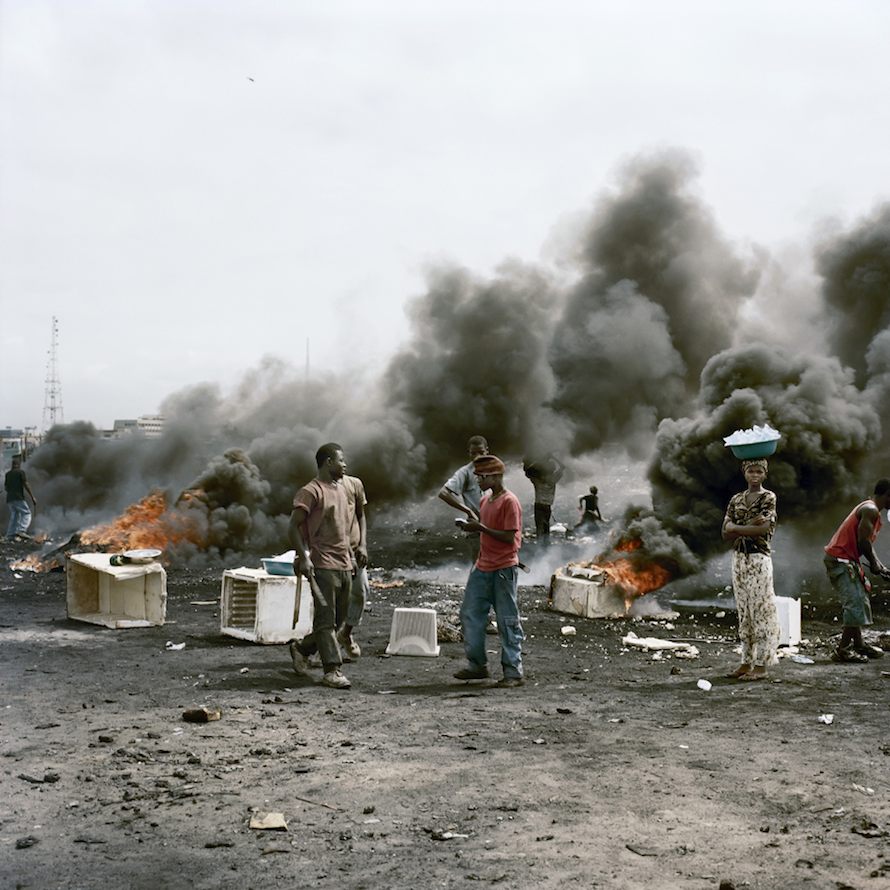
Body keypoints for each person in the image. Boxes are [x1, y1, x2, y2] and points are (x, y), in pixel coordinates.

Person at [453, 454, 525, 688]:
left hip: (504, 568)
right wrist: (472, 527)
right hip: (483, 566)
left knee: (507, 620)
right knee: (470, 614)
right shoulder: (485, 501)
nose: (478, 482)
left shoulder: (509, 501)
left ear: (495, 476)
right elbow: (488, 531)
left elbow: (508, 536)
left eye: (482, 477)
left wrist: (480, 527)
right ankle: (477, 666)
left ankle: (513, 672)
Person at [287, 443, 354, 690]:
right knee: (325, 621)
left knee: (338, 620)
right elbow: (292, 526)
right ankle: (332, 670)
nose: (345, 465)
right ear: (328, 462)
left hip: (344, 564)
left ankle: (301, 648)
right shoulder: (310, 491)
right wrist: (303, 556)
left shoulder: (341, 490)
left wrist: (352, 556)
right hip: (322, 564)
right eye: (341, 460)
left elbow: (343, 528)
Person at [721, 458, 780, 681]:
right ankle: (746, 662)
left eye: (758, 471)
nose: (754, 475)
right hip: (739, 559)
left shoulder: (768, 498)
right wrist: (746, 527)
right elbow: (724, 533)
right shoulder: (736, 499)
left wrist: (736, 527)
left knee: (761, 609)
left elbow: (764, 528)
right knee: (744, 610)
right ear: (744, 473)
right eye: (750, 471)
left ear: (765, 474)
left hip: (758, 559)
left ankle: (762, 665)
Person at [823, 479, 890, 663]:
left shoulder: (870, 508)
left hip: (846, 559)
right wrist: (875, 565)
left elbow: (865, 541)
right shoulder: (870, 510)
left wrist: (879, 565)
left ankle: (859, 644)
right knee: (855, 603)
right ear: (887, 495)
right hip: (840, 560)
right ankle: (842, 650)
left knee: (859, 599)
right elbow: (863, 542)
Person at [438, 435, 489, 561]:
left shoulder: (494, 469)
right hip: (476, 528)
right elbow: (443, 493)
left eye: (481, 453)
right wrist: (468, 511)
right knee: (479, 567)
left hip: (494, 527)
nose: (477, 457)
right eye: (473, 453)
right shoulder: (465, 472)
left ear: (487, 451)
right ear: (469, 454)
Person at [338, 473, 369, 660]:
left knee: (361, 592)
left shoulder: (355, 484)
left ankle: (345, 634)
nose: (344, 464)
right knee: (333, 600)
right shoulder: (323, 488)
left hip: (356, 552)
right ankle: (319, 648)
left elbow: (361, 516)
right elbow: (336, 527)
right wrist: (349, 555)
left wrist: (363, 545)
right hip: (335, 553)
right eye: (339, 460)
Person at [523, 454, 565, 543]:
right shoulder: (554, 480)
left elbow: (527, 471)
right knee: (546, 528)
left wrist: (540, 460)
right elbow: (563, 467)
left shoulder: (537, 481)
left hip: (539, 505)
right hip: (548, 506)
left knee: (539, 528)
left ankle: (540, 548)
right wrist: (553, 457)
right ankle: (546, 547)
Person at [4, 455, 37, 541]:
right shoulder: (20, 472)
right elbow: (26, 484)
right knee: (26, 514)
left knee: (14, 515)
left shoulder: (7, 474)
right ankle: (21, 530)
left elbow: (6, 488)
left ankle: (10, 534)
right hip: (18, 497)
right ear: (18, 465)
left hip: (9, 499)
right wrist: (32, 497)